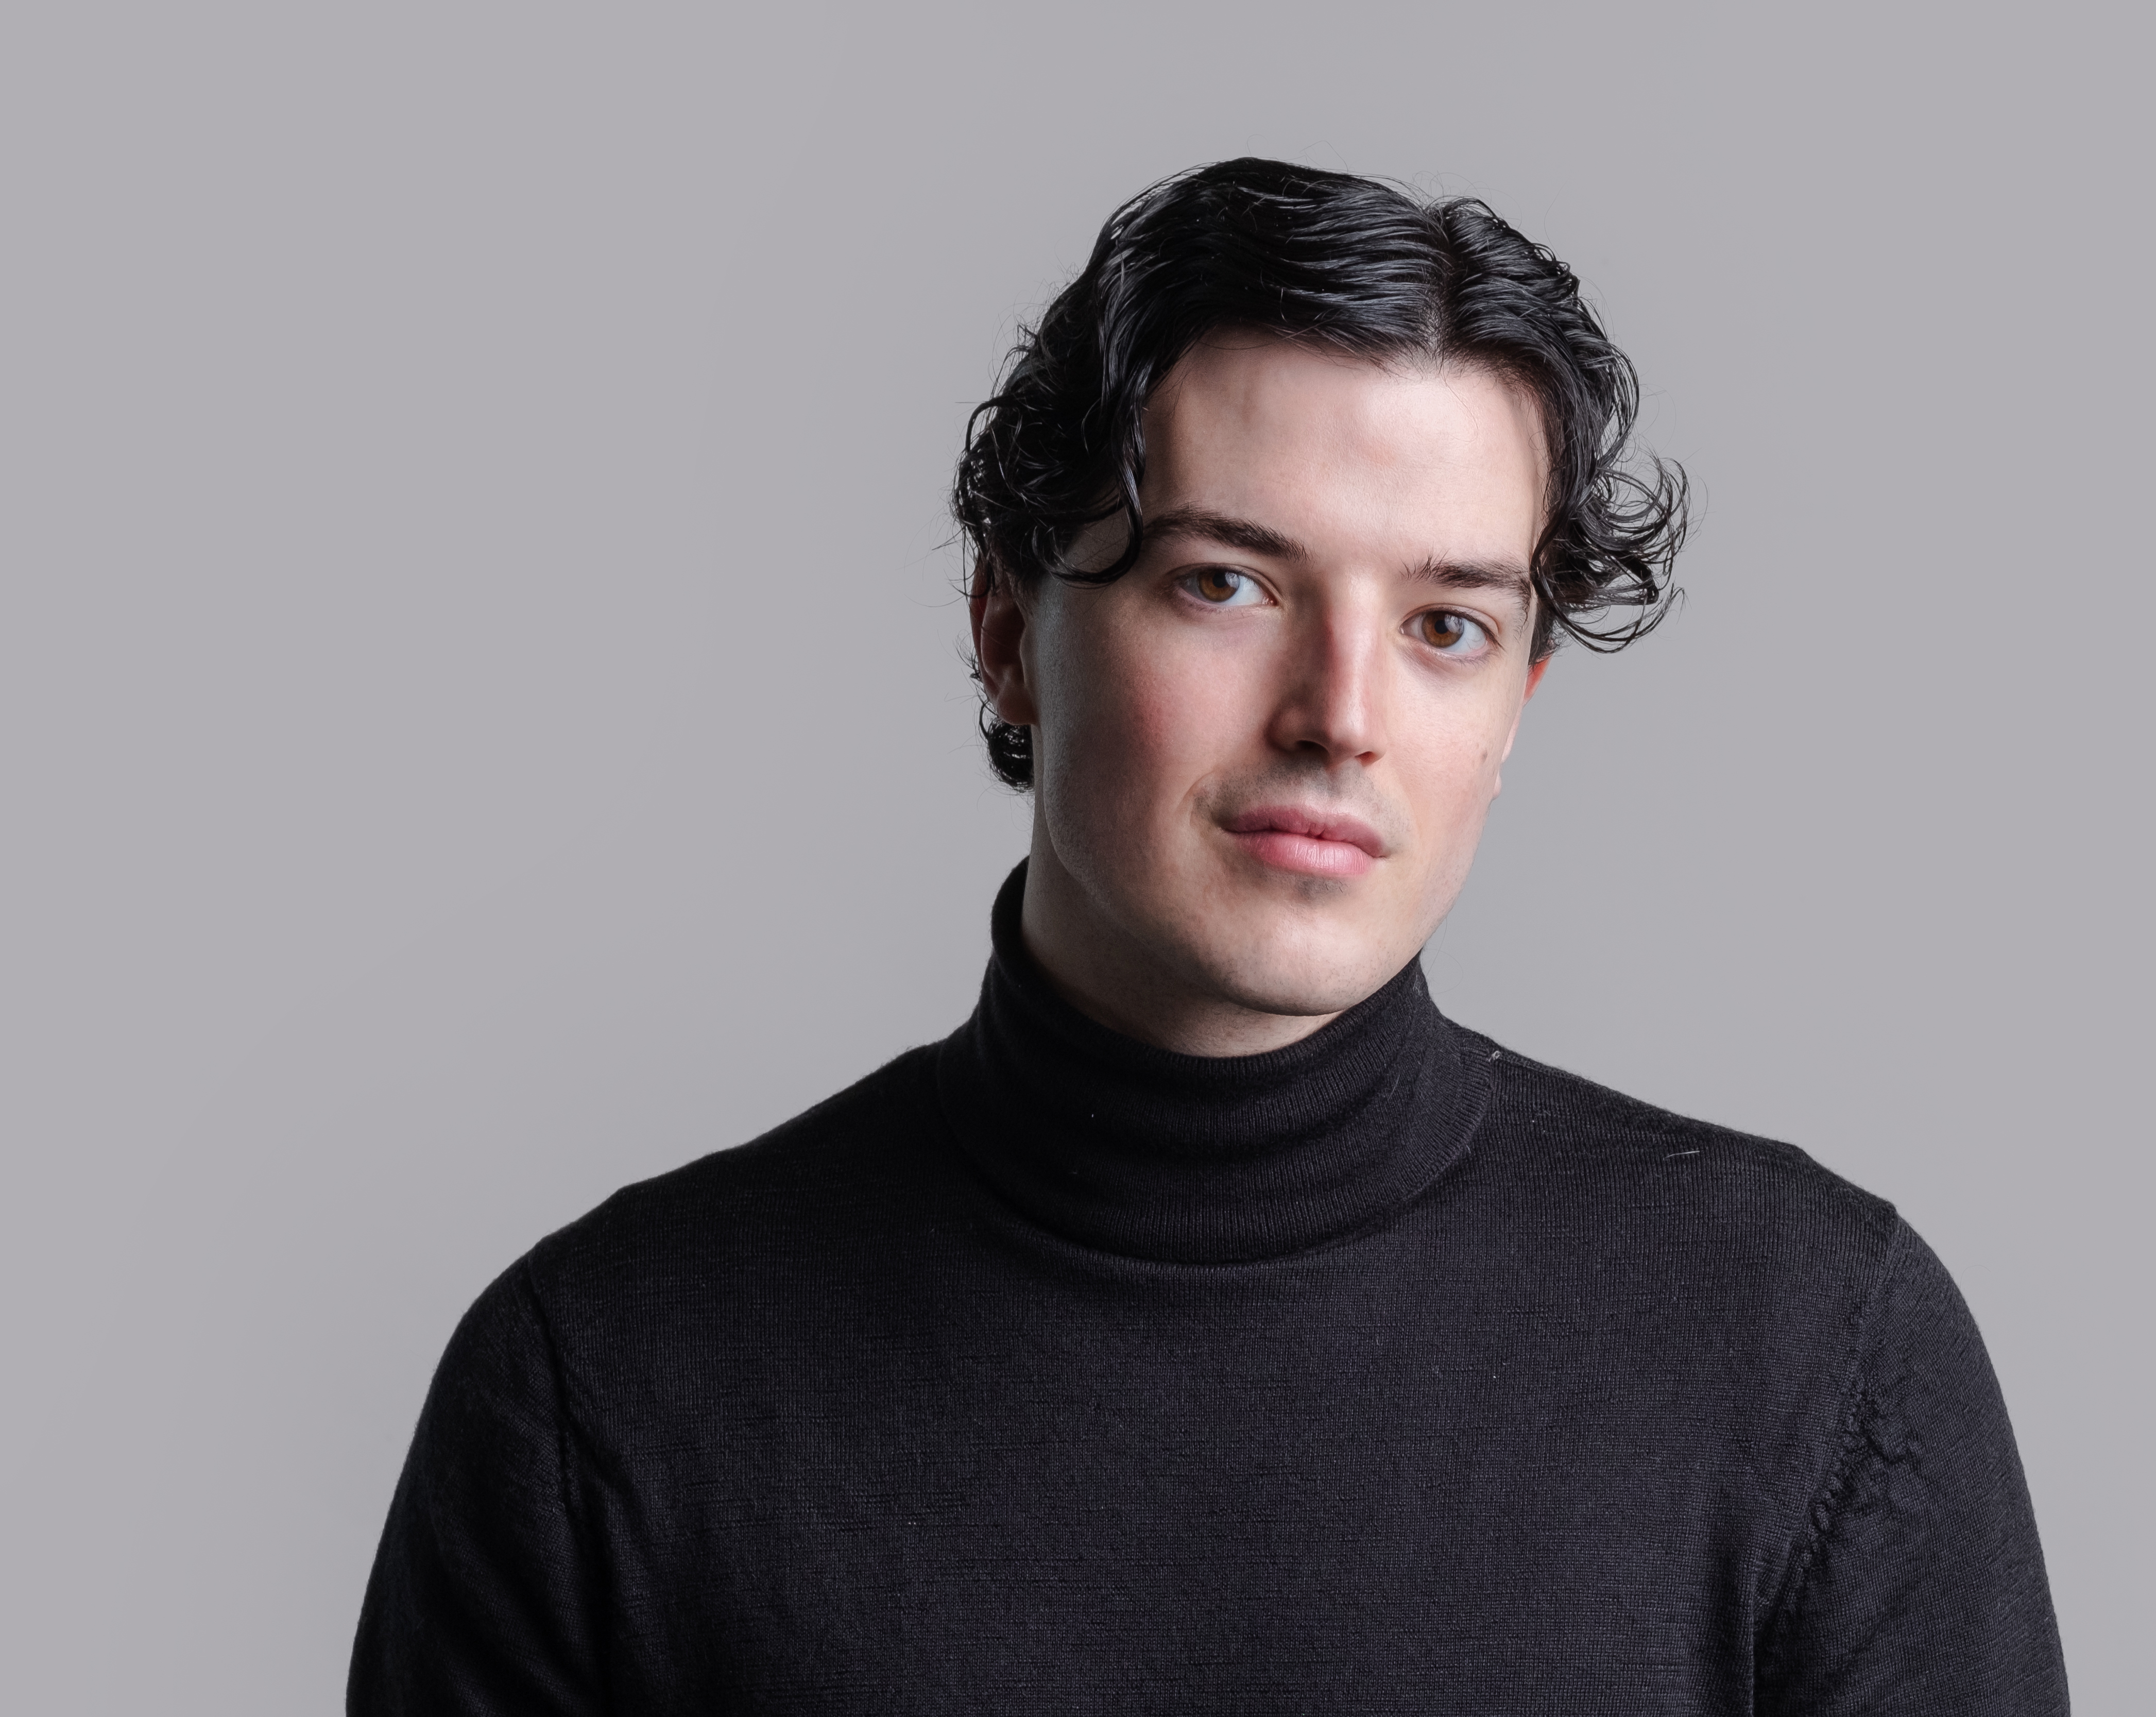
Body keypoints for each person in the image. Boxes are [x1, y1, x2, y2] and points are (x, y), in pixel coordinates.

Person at [351, 158, 2068, 1714]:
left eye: (1446, 626)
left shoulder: (1811, 1353)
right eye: (1227, 584)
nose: (1342, 716)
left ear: (1518, 708)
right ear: (1007, 629)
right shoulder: (605, 1393)